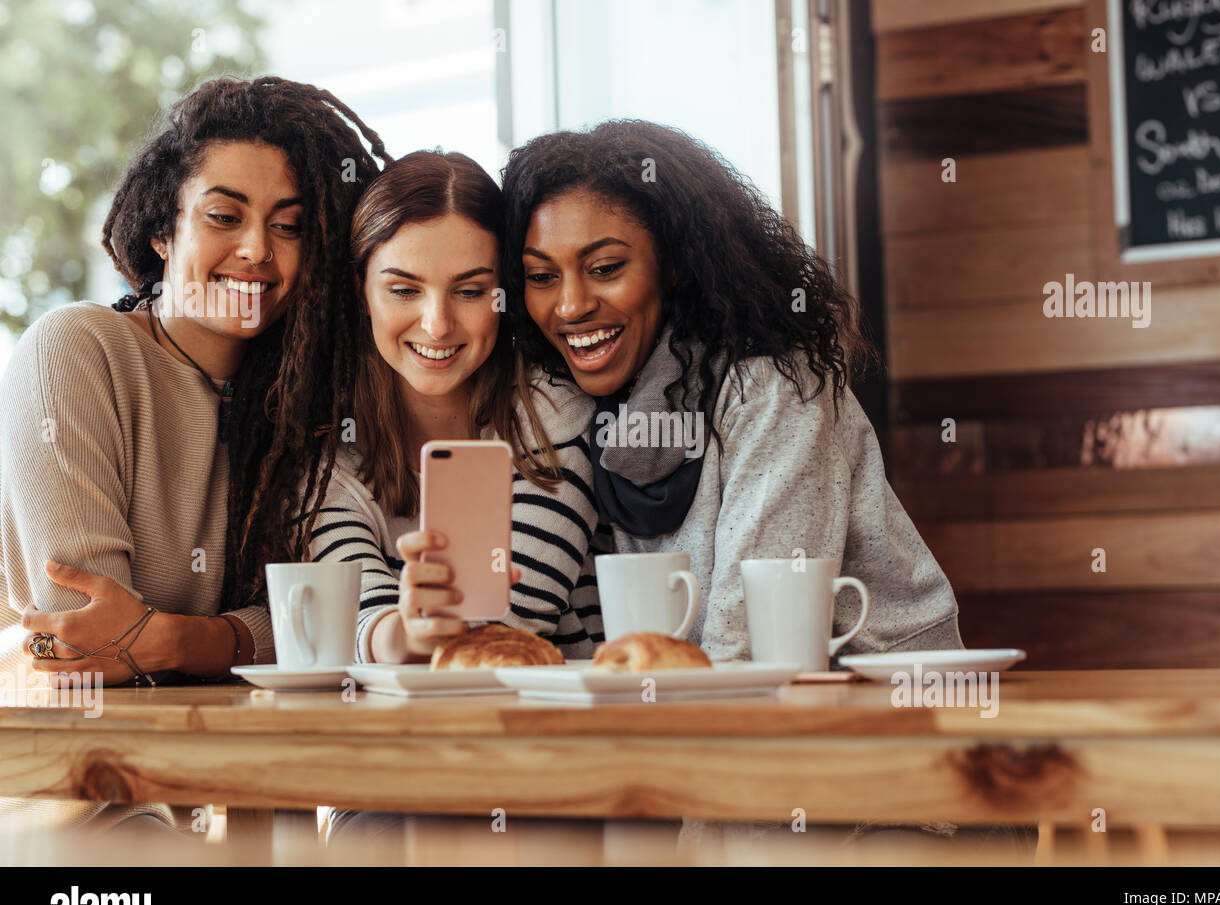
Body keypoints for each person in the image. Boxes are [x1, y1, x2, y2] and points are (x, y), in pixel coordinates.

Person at [0, 75, 390, 830]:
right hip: (72, 796)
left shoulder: (309, 399)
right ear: (161, 228)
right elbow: (88, 640)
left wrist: (182, 637)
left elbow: (328, 621)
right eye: (223, 216)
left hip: (234, 799)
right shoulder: (76, 352)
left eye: (290, 226)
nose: (256, 251)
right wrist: (240, 637)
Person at [500, 119, 962, 660]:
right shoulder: (587, 398)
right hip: (716, 700)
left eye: (605, 268)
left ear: (671, 264)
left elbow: (749, 642)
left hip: (879, 699)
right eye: (541, 276)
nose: (571, 305)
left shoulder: (772, 386)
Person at [302, 149, 602, 667]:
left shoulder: (552, 415)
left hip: (553, 729)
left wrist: (424, 634)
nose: (437, 324)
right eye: (403, 289)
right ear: (361, 294)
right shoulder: (328, 451)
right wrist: (406, 632)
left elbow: (500, 633)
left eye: (469, 290)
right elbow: (356, 615)